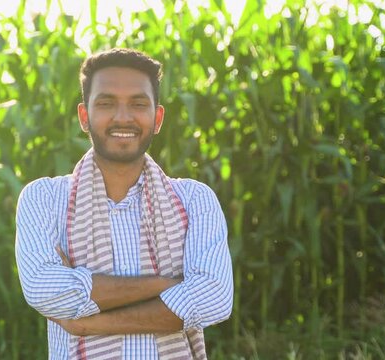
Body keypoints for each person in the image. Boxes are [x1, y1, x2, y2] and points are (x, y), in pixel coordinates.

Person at [15, 48, 233, 359]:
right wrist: (169, 285)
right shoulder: (45, 200)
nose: (122, 117)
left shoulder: (195, 201)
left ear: (157, 118)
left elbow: (214, 298)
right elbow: (43, 290)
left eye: (138, 104)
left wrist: (91, 324)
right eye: (106, 103)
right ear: (84, 116)